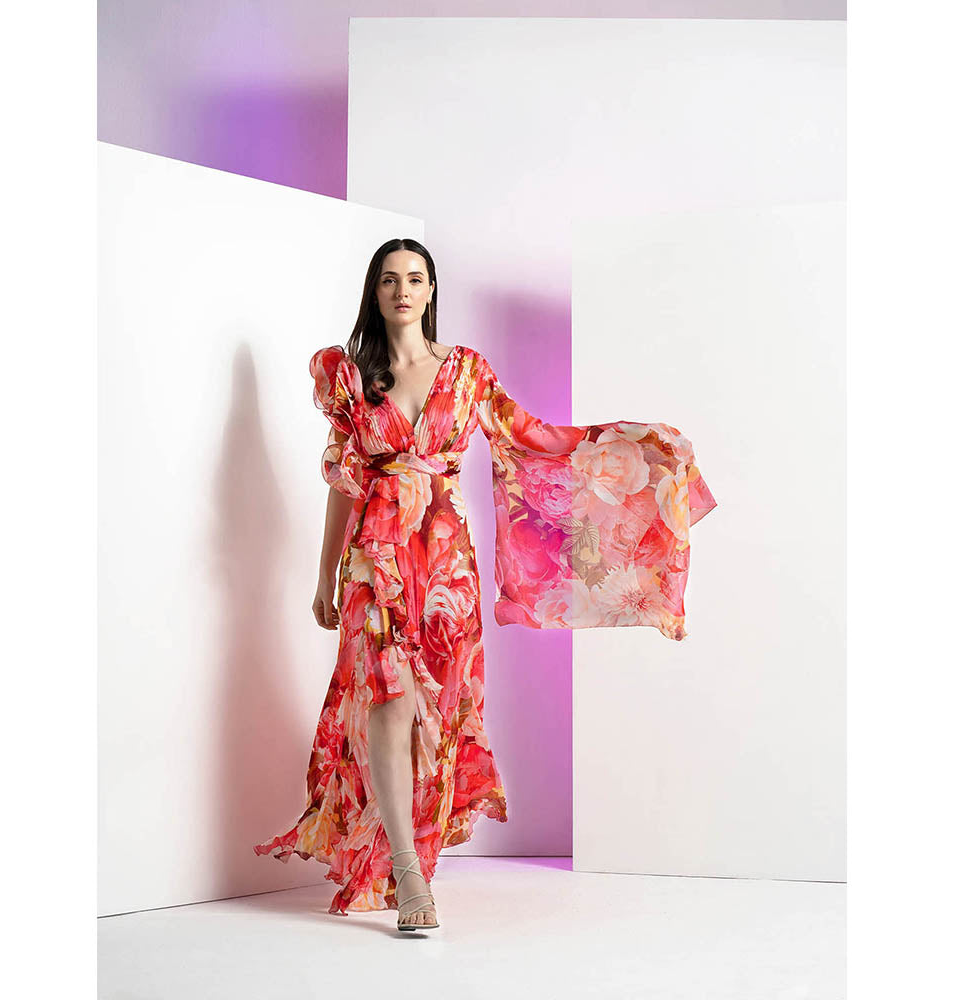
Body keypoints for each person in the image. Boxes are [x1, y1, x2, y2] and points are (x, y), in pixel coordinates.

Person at [253, 238, 717, 932]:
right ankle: (408, 874)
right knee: (388, 698)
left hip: (445, 563)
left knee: (437, 709)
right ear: (374, 291)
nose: (402, 290)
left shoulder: (466, 371)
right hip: (375, 561)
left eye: (415, 278)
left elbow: (534, 438)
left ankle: (411, 851)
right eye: (389, 279)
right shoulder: (349, 377)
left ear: (431, 290)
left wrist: (644, 449)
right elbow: (343, 483)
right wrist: (324, 575)